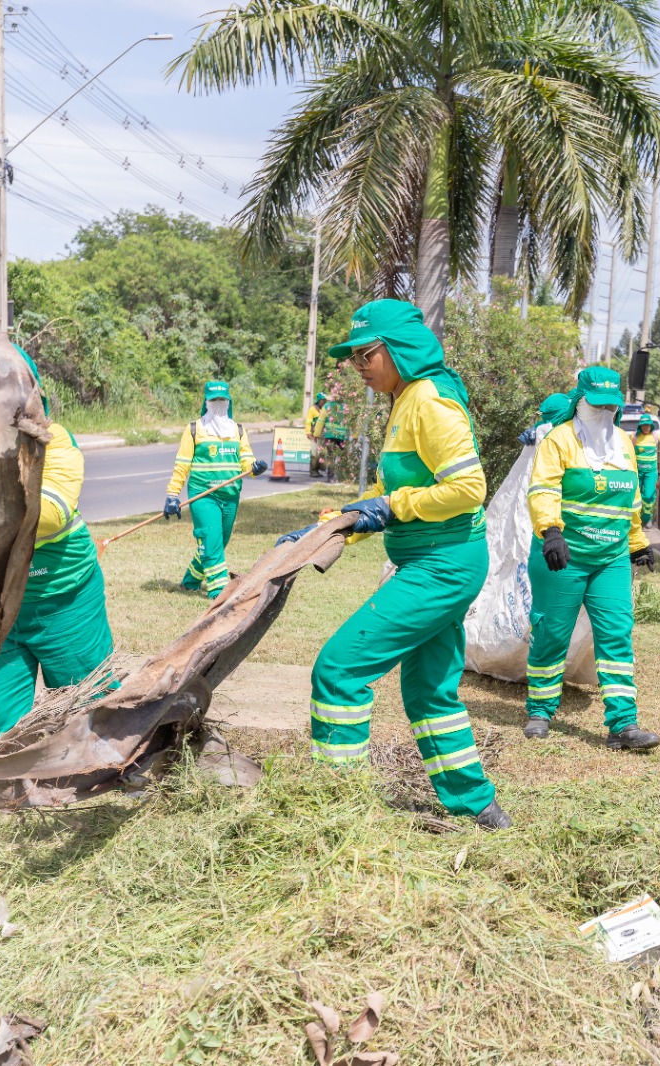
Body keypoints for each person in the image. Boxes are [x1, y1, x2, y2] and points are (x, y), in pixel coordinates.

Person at [276, 299, 511, 830]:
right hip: (432, 561)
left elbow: (469, 489)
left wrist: (392, 507)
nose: (358, 365)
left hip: (443, 565)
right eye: (353, 357)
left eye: (366, 354)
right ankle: (479, 805)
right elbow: (398, 486)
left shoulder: (429, 401)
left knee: (338, 670)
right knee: (429, 690)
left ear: (399, 350)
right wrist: (344, 519)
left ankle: (335, 808)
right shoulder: (404, 399)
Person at [0, 346, 115, 749]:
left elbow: (49, 515)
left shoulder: (57, 442)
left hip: (63, 600)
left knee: (89, 706)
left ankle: (109, 768)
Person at [523, 366, 660, 750]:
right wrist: (551, 530)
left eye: (610, 406)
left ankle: (623, 722)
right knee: (552, 634)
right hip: (563, 556)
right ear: (579, 402)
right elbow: (543, 488)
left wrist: (637, 541)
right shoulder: (560, 440)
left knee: (617, 634)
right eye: (596, 405)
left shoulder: (623, 444)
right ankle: (540, 710)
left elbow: (631, 501)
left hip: (610, 559)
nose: (603, 413)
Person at [164, 381, 269, 600]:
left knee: (218, 542)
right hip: (204, 495)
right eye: (213, 400)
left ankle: (191, 580)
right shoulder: (194, 429)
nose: (218, 404)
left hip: (230, 496)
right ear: (206, 402)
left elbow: (246, 460)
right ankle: (219, 591)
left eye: (222, 400)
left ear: (229, 402)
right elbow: (182, 464)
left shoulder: (237, 430)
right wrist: (172, 495)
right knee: (210, 538)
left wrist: (254, 468)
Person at [633, 411, 660, 525]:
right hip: (637, 473)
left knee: (648, 496)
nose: (646, 427)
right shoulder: (634, 437)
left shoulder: (655, 437)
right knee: (635, 496)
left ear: (651, 426)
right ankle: (636, 519)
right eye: (644, 425)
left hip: (651, 473)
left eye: (648, 425)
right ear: (640, 426)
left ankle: (647, 516)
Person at [306, 391, 328, 477]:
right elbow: (308, 422)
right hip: (314, 435)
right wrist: (308, 432)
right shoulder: (312, 409)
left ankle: (320, 468)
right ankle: (313, 471)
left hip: (324, 435)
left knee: (322, 453)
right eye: (323, 400)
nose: (324, 402)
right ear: (319, 400)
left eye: (325, 400)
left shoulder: (325, 409)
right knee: (314, 453)